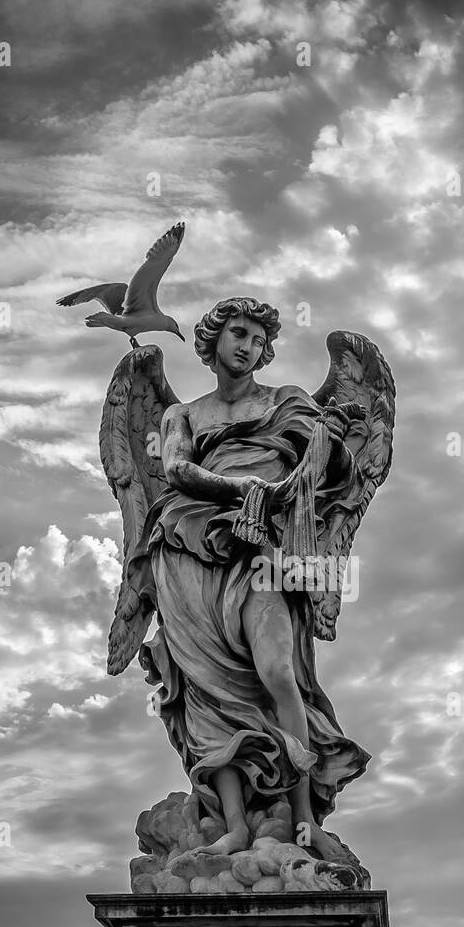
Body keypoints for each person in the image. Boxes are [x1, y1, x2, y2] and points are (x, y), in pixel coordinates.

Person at [140, 296, 369, 861]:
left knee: (277, 672)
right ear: (214, 339)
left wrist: (330, 439)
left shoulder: (286, 402)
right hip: (191, 542)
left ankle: (301, 818)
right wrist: (240, 489)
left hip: (264, 543)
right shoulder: (183, 415)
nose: (249, 346)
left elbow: (332, 474)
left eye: (260, 341)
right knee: (206, 687)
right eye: (239, 334)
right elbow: (174, 469)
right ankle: (236, 825)